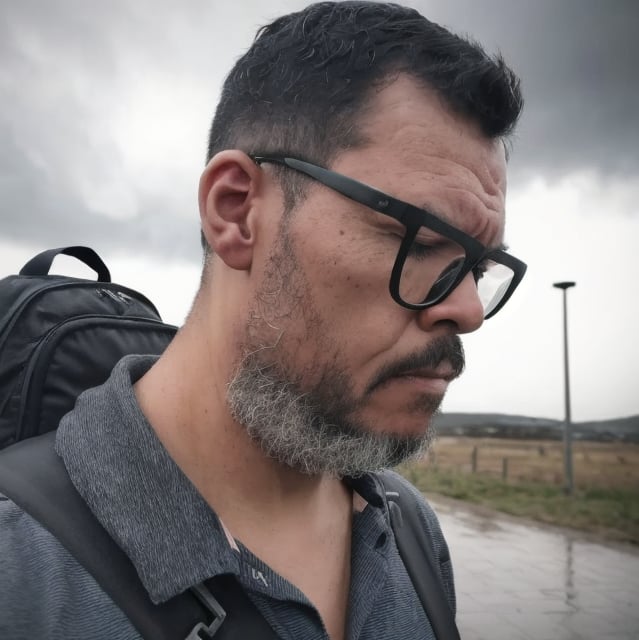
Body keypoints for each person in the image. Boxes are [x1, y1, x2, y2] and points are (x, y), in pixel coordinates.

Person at [0, 2, 525, 638]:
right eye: (417, 241)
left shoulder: (408, 531)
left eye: (479, 265)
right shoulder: (20, 571)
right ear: (237, 211)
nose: (467, 310)